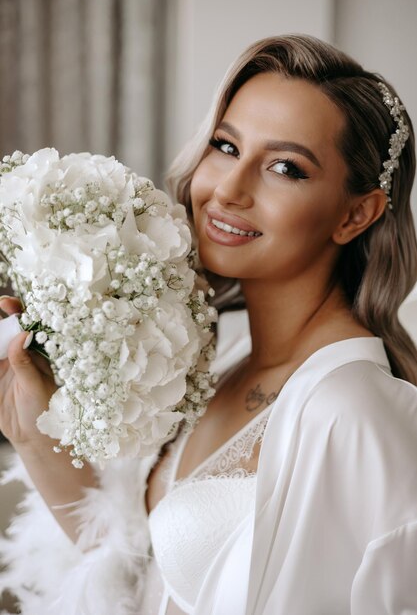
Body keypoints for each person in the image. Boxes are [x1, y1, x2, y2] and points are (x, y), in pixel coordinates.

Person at [0, 34, 417, 615]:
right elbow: (138, 575)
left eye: (284, 167)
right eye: (225, 146)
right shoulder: (219, 361)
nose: (228, 189)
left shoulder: (354, 411)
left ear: (356, 214)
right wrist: (29, 431)